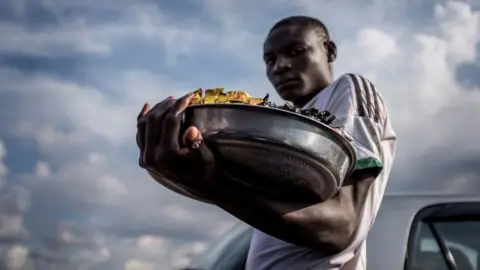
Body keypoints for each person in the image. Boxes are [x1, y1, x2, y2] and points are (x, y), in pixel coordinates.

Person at [136, 16, 396, 270]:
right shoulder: (290, 130)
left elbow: (342, 227)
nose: (279, 66)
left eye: (295, 51)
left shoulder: (347, 89)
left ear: (328, 51)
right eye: (270, 60)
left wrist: (213, 182)